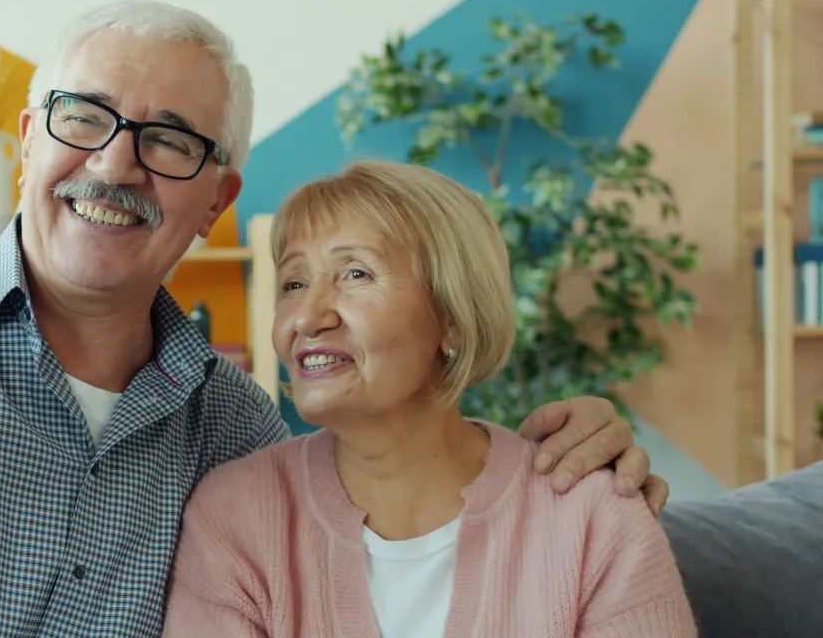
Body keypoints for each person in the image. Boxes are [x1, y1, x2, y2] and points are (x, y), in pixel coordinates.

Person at [0, 0, 666, 636]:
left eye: (169, 140)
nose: (115, 163)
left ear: (215, 200)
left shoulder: (233, 432)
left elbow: (408, 491)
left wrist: (579, 456)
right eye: (84, 118)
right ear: (28, 140)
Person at [161, 161, 697, 638]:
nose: (306, 317)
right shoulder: (234, 516)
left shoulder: (590, 515)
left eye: (355, 274)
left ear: (453, 318)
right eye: (293, 284)